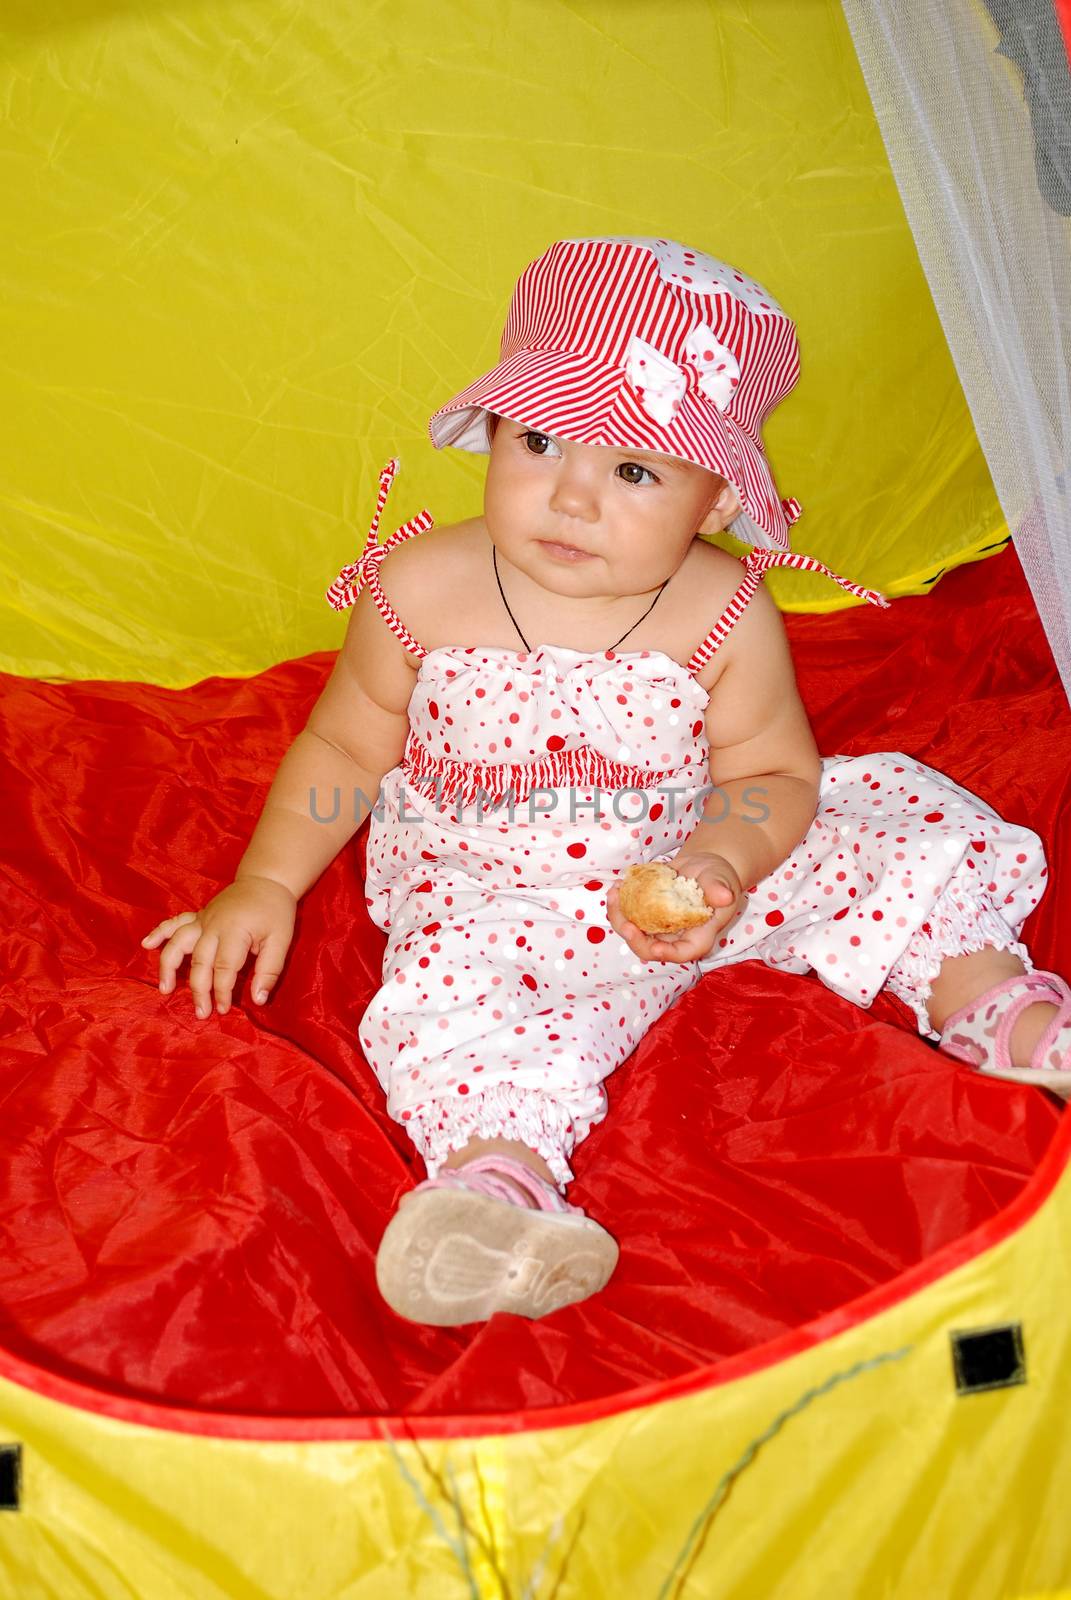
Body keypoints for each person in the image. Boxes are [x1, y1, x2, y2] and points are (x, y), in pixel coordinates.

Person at [141, 236, 1071, 1328]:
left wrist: (722, 860)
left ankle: (990, 1005)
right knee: (449, 996)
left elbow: (772, 769)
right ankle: (499, 1188)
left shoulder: (720, 611)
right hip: (491, 888)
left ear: (715, 499)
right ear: (490, 430)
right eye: (539, 441)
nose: (571, 498)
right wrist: (267, 884)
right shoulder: (424, 586)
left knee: (886, 830)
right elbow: (346, 747)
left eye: (633, 470)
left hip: (690, 856)